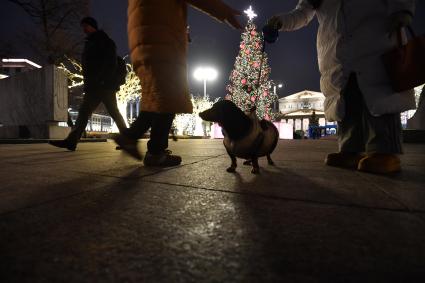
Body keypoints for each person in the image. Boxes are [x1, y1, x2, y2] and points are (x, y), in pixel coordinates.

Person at [266, 0, 416, 174]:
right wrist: (281, 21)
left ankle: (384, 151)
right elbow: (303, 12)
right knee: (345, 98)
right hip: (337, 50)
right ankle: (350, 149)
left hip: (376, 39)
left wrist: (402, 9)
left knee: (379, 95)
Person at [114, 0, 242, 166]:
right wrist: (222, 10)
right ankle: (155, 152)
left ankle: (131, 138)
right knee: (169, 96)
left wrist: (179, 29)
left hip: (143, 39)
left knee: (156, 97)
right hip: (162, 39)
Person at [49, 17, 127, 151]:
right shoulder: (90, 42)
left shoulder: (104, 41)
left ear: (93, 26)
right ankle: (72, 141)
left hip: (103, 85)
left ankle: (72, 141)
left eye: (86, 25)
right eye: (83, 26)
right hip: (95, 85)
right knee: (93, 112)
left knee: (101, 112)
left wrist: (101, 79)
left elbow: (111, 63)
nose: (84, 29)